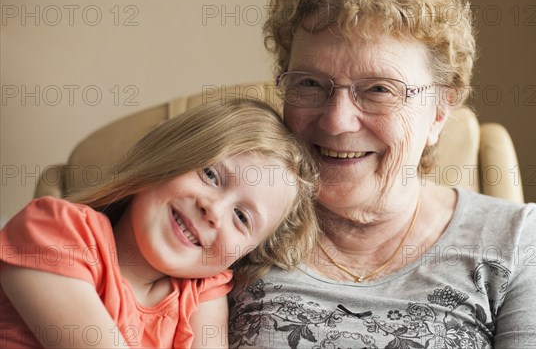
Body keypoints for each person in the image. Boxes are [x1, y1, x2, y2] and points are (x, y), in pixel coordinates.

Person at [227, 0, 536, 348]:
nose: (336, 121)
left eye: (379, 89)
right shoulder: (230, 219)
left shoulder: (514, 239)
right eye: (311, 84)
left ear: (438, 111)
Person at [0, 98, 318, 348]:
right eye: (210, 174)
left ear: (246, 253)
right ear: (166, 156)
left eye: (241, 218)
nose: (213, 210)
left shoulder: (203, 293)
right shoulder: (54, 230)